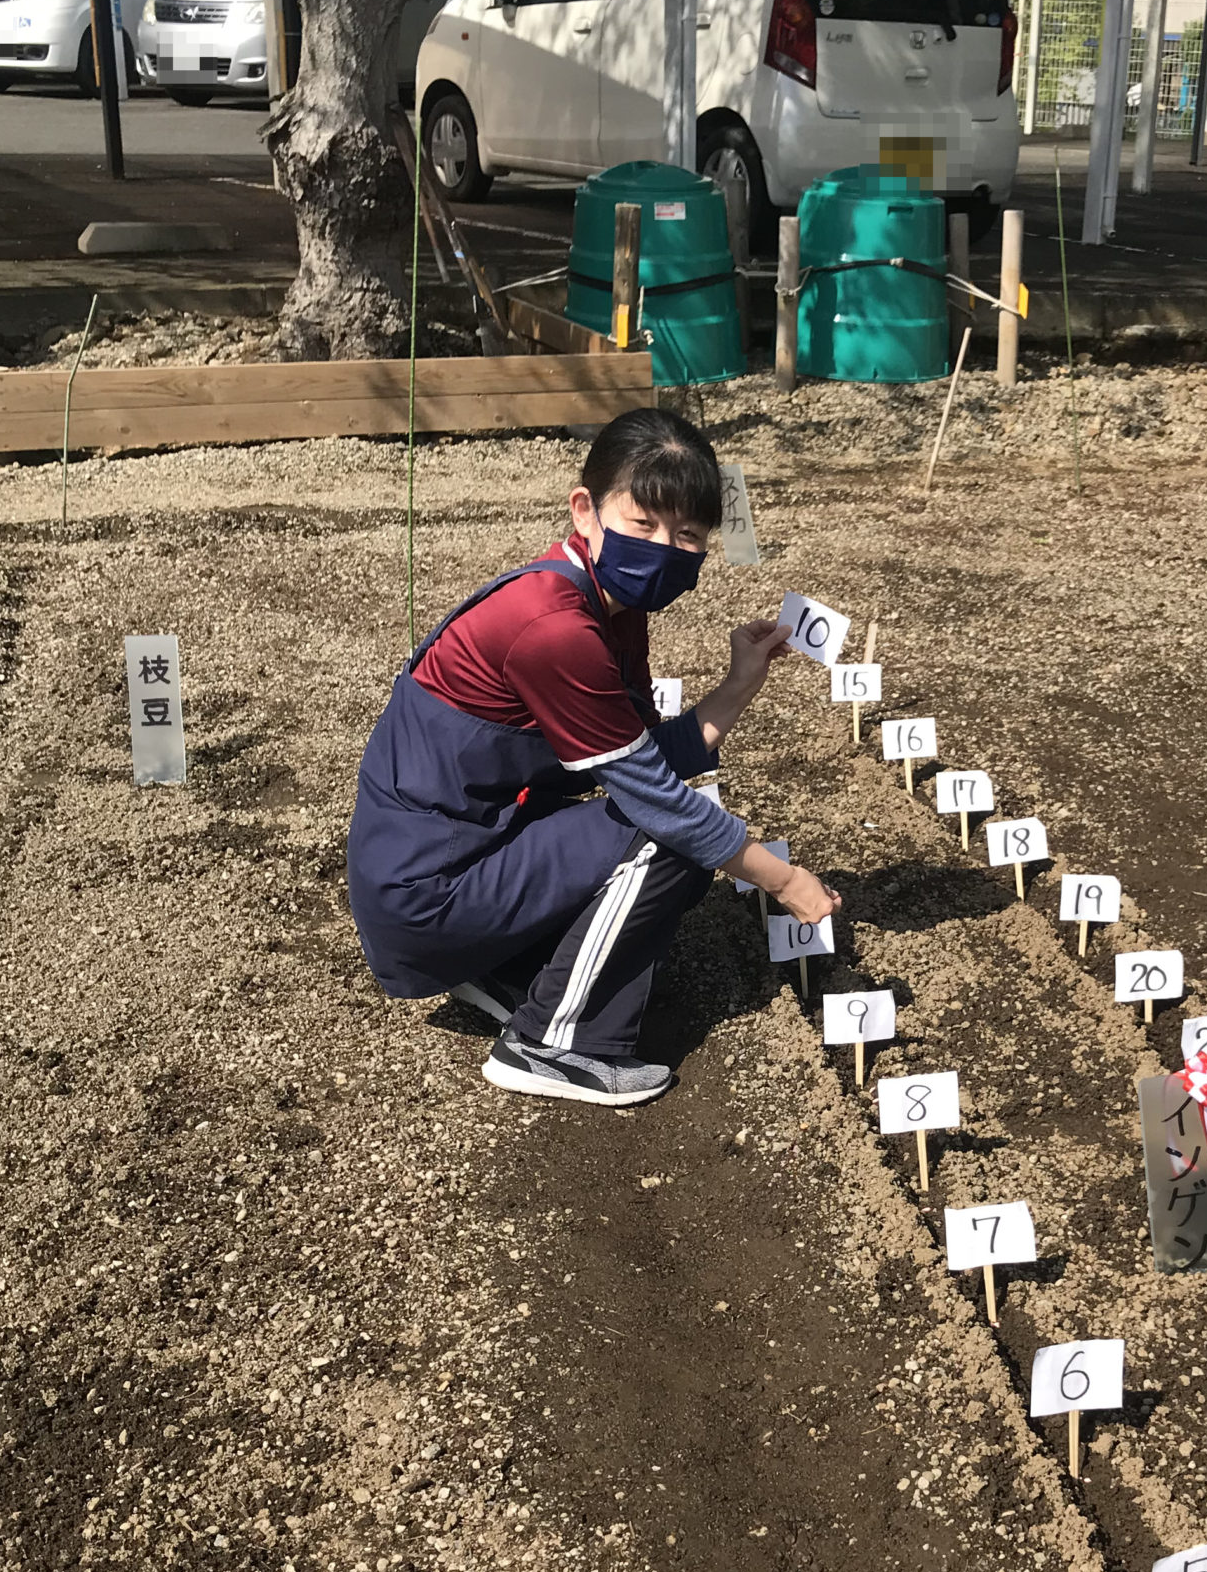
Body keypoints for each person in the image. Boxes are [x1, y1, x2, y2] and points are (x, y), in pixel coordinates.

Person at [346, 407, 840, 1108]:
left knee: (673, 826)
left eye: (688, 535)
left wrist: (739, 685)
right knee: (673, 838)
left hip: (461, 855)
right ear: (585, 510)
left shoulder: (609, 607)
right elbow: (658, 802)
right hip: (425, 893)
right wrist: (785, 881)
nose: (666, 548)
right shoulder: (554, 628)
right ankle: (552, 1045)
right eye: (644, 523)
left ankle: (503, 965)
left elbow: (646, 759)